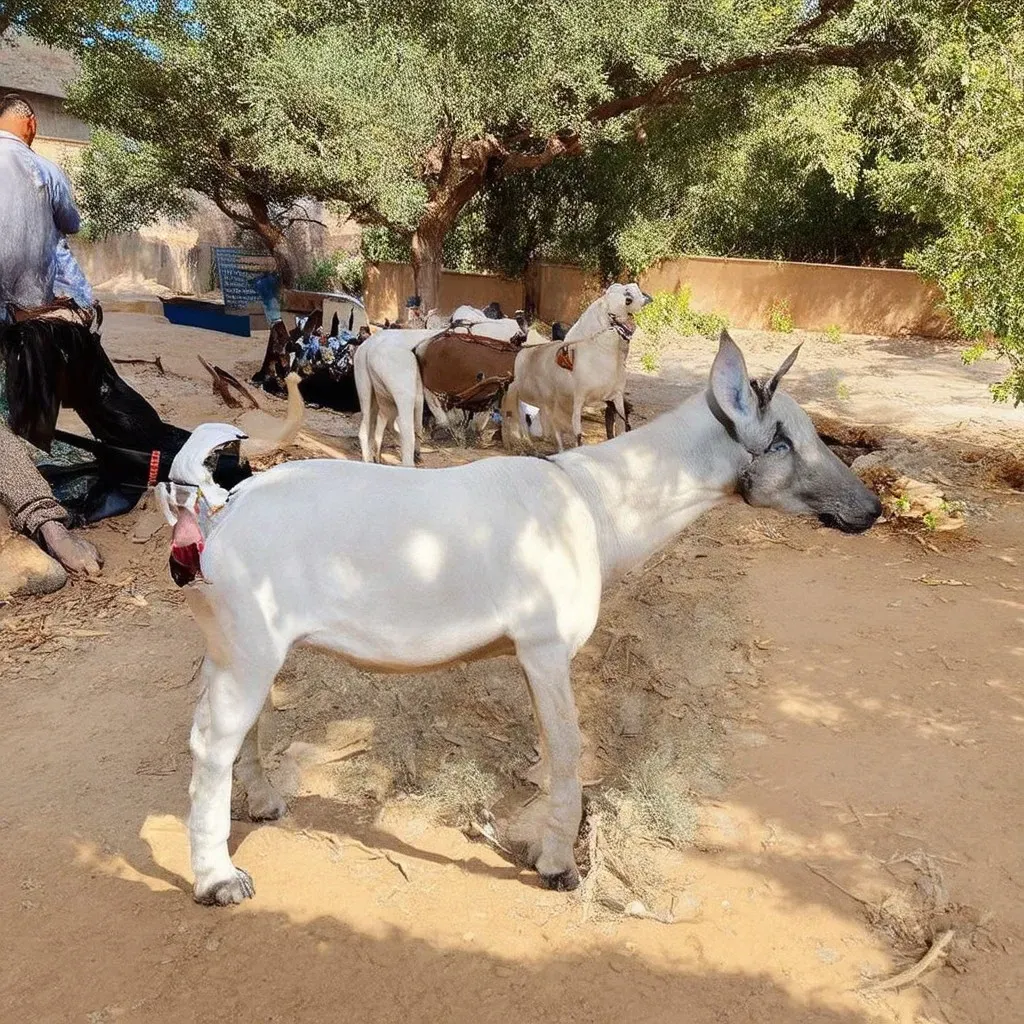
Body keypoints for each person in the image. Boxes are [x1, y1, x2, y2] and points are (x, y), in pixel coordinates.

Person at [0, 92, 101, 580]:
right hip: (25, 320)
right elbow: (69, 228)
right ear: (31, 125)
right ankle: (47, 521)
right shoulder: (42, 170)